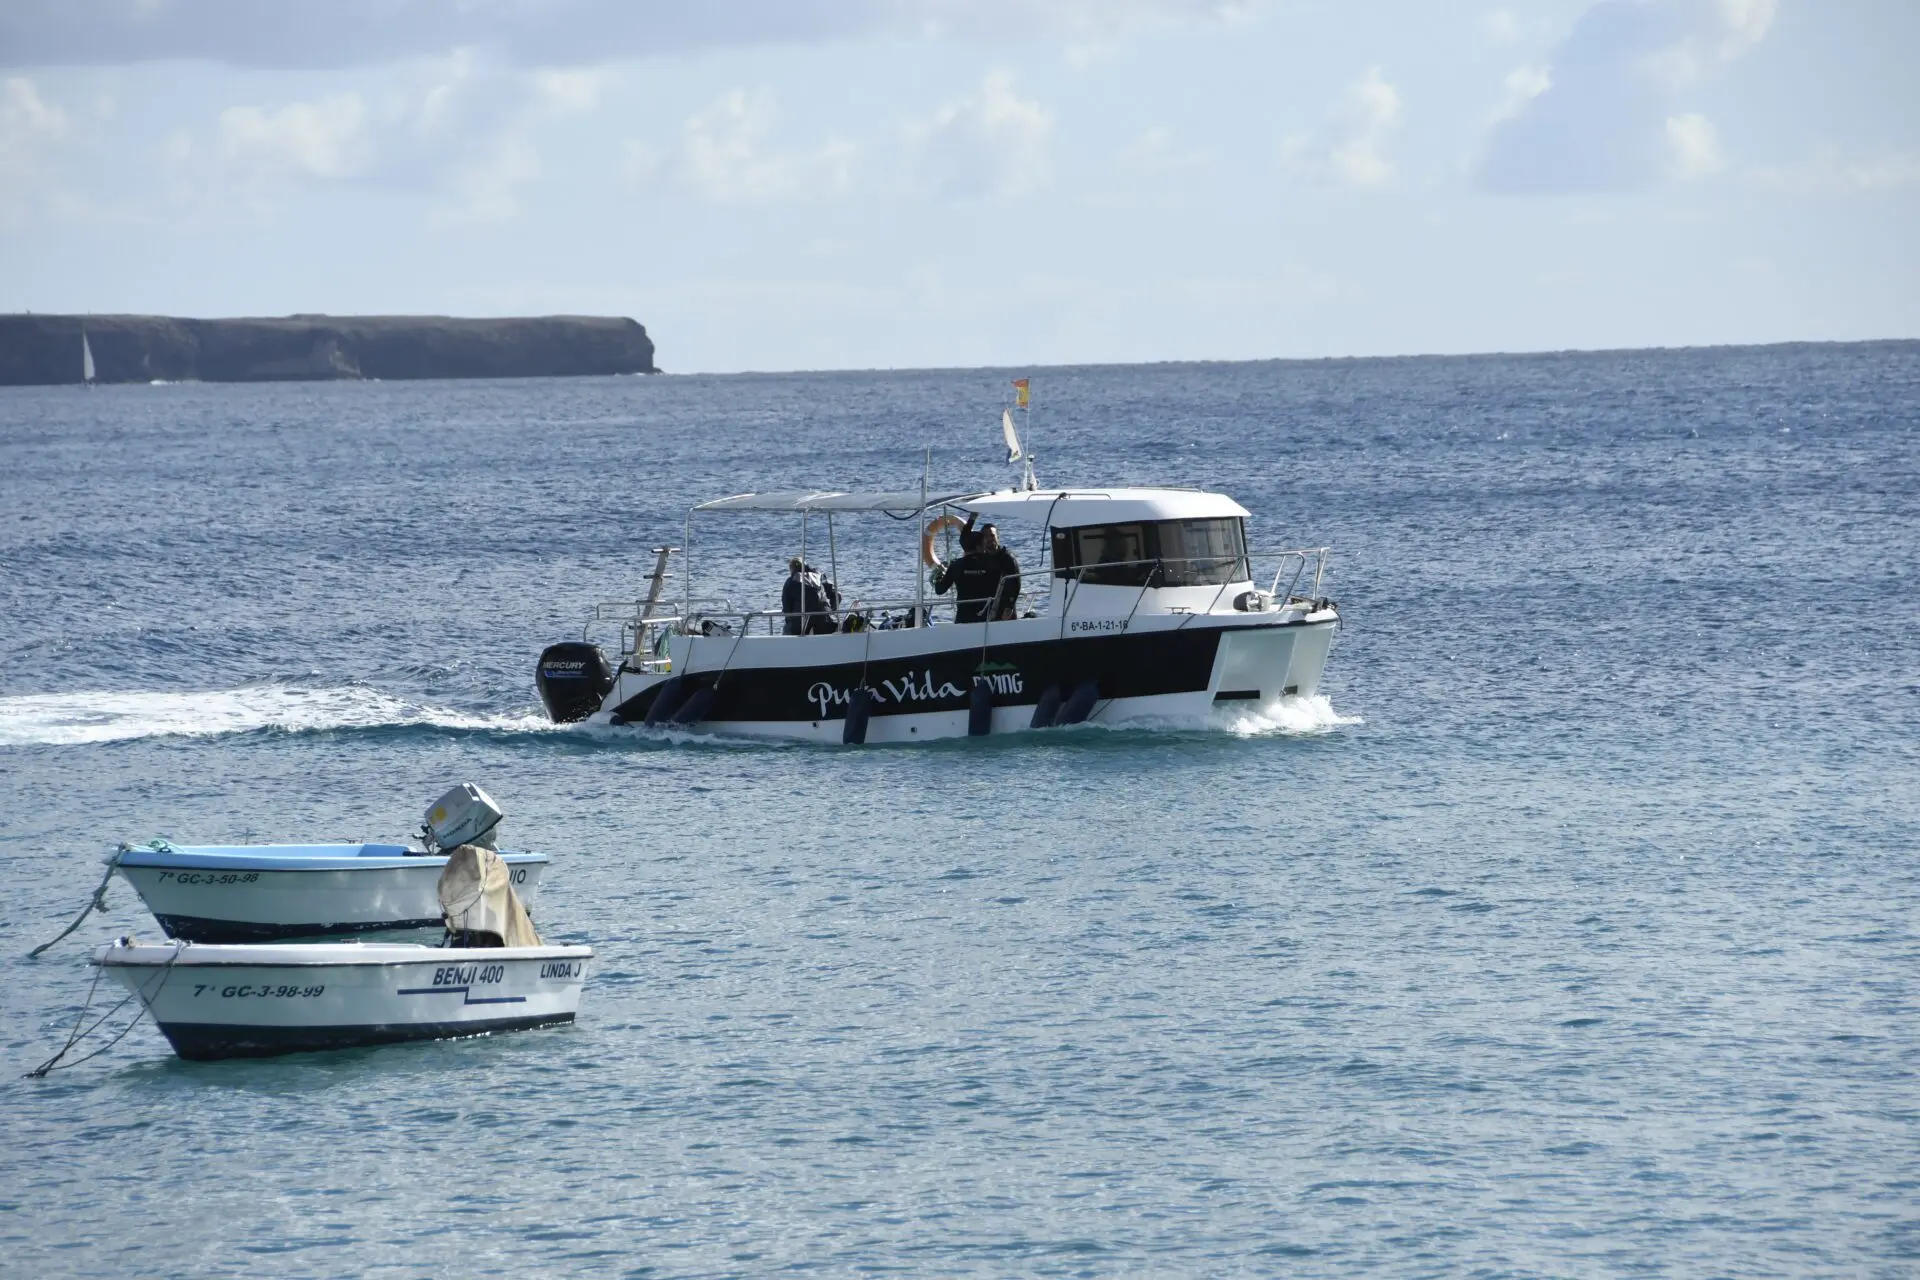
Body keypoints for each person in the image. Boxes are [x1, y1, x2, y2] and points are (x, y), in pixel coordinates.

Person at [932, 523, 1020, 623]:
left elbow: (940, 590)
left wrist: (939, 576)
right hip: (989, 619)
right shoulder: (996, 563)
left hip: (963, 620)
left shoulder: (955, 566)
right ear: (980, 547)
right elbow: (1013, 584)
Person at [781, 557, 840, 635]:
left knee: (787, 628)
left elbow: (787, 609)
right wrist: (831, 610)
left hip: (801, 623)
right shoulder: (819, 576)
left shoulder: (790, 581)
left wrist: (790, 620)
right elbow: (837, 595)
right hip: (825, 620)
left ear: (792, 569)